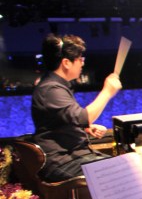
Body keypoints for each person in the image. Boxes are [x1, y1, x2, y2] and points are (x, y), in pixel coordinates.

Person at [31, 33, 122, 182]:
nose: (82, 63)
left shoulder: (56, 86)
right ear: (66, 62)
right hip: (62, 161)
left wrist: (85, 128)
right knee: (123, 169)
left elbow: (62, 120)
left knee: (124, 165)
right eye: (80, 59)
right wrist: (107, 91)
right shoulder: (50, 89)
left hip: (72, 157)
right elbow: (84, 117)